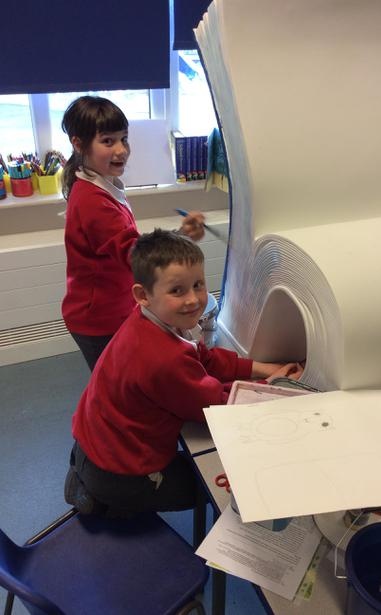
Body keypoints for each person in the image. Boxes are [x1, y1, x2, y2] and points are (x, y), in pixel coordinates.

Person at [64, 229, 303, 518]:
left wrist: (261, 368)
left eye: (198, 285)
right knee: (215, 487)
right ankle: (102, 494)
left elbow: (203, 357)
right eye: (177, 291)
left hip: (92, 443)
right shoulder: (164, 358)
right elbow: (216, 406)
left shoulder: (150, 317)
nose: (193, 300)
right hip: (119, 472)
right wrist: (271, 386)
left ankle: (89, 482)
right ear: (143, 295)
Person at [61, 95, 205, 371]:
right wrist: (181, 237)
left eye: (124, 139)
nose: (121, 150)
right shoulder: (93, 201)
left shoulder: (102, 184)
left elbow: (130, 245)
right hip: (99, 318)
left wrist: (178, 236)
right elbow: (134, 254)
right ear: (78, 144)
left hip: (109, 307)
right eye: (108, 141)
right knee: (116, 381)